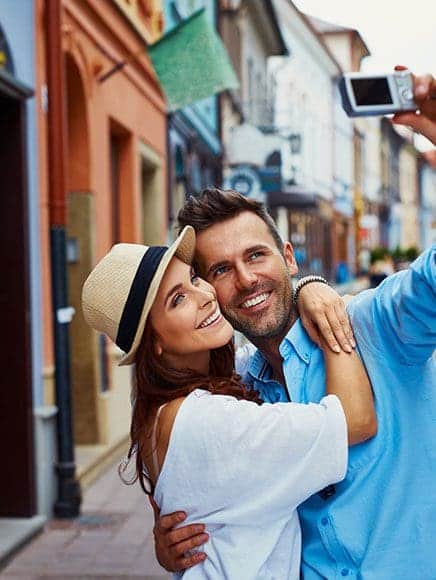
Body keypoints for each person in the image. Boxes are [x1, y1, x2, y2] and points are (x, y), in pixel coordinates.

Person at [153, 70, 436, 578]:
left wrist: (311, 285)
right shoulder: (234, 393)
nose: (245, 279)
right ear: (206, 289)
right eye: (220, 269)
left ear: (288, 256)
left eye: (256, 255)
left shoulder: (376, 325)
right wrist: (171, 537)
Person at [81, 227, 376, 579]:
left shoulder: (167, 407)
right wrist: (329, 305)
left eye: (194, 278)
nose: (203, 296)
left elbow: (261, 353)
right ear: (153, 343)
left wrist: (305, 285)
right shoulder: (207, 422)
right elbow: (355, 420)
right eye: (178, 299)